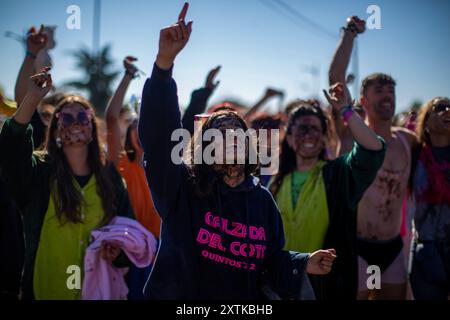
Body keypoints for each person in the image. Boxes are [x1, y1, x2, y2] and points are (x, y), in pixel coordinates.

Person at [138, 2, 336, 300]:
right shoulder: (182, 190)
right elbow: (159, 139)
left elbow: (269, 263)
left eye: (237, 130)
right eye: (219, 131)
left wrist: (303, 262)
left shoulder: (262, 202)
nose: (230, 135)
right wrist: (164, 63)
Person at [0, 68, 134, 300]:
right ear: (56, 129)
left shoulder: (111, 178)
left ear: (92, 128)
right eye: (66, 118)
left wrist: (118, 251)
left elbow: (127, 233)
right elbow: (11, 151)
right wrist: (32, 97)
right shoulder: (39, 174)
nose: (76, 123)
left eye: (83, 117)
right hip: (44, 291)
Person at [269, 83, 386, 300]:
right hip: (282, 282)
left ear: (324, 136)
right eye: (302, 128)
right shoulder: (275, 181)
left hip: (326, 285)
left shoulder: (339, 175)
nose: (309, 135)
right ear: (290, 136)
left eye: (315, 129)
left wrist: (346, 111)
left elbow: (373, 149)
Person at [329, 16, 417, 299]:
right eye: (379, 90)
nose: (387, 95)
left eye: (391, 90)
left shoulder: (408, 140)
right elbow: (336, 80)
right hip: (357, 246)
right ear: (363, 100)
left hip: (393, 247)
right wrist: (350, 34)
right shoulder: (350, 134)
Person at [105, 56, 161, 238]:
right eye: (136, 127)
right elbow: (111, 118)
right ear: (128, 134)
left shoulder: (169, 170)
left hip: (159, 258)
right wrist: (128, 75)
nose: (142, 132)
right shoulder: (120, 164)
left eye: (149, 127)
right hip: (128, 254)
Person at [409, 97, 450, 300]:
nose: (448, 111)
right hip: (427, 253)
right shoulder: (414, 153)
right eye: (440, 107)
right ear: (425, 121)